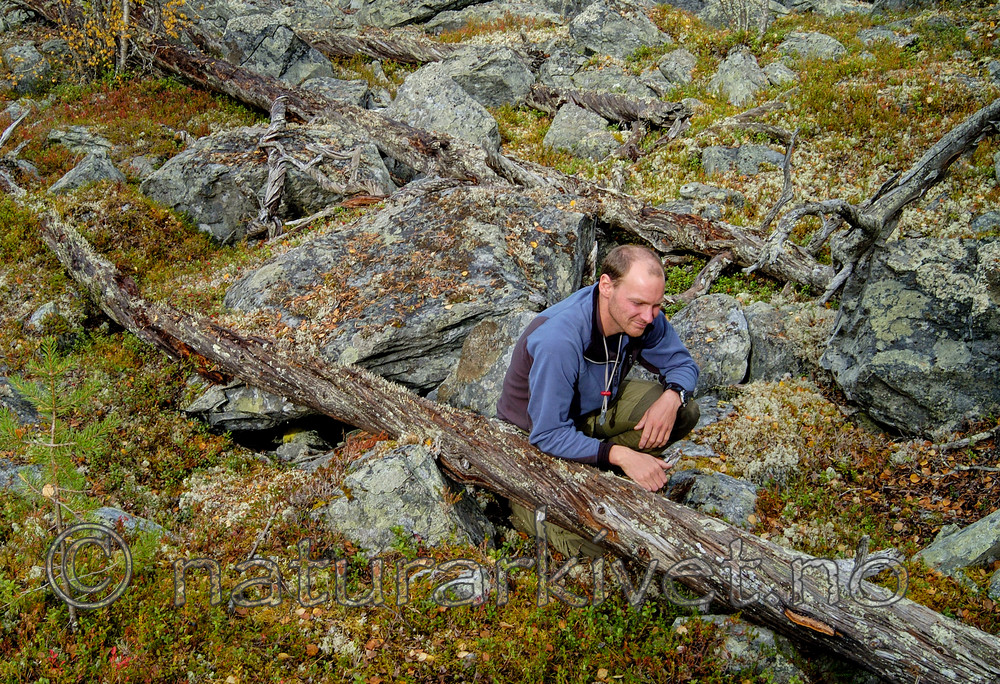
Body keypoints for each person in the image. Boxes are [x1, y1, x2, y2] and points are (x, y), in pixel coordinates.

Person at [496, 244, 700, 556]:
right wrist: (620, 455)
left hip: (594, 413)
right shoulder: (559, 340)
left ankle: (610, 477)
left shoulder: (643, 317)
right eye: (639, 303)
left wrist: (673, 396)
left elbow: (683, 366)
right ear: (606, 286)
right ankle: (524, 508)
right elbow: (548, 433)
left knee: (684, 411)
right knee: (600, 548)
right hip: (533, 441)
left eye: (657, 305)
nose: (649, 316)